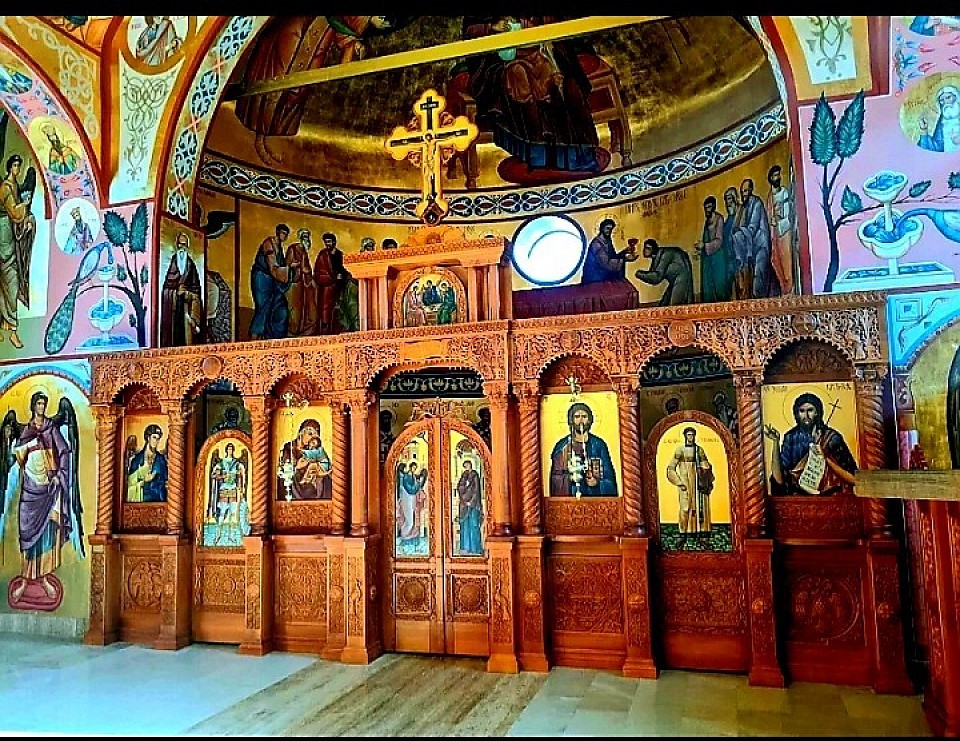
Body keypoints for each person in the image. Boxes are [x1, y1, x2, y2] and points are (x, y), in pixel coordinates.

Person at [234, 16, 414, 164]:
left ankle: (269, 134)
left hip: (322, 32)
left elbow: (341, 22)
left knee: (300, 88)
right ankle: (260, 137)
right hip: (298, 27)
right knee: (279, 74)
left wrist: (350, 42)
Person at [462, 16, 601, 173]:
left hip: (544, 49)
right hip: (500, 60)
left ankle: (579, 153)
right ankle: (537, 154)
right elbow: (470, 31)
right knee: (519, 80)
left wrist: (536, 27)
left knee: (566, 86)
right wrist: (491, 27)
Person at [1, 391, 82, 605]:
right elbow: (14, 458)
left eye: (43, 404)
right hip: (29, 488)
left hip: (48, 488)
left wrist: (59, 476)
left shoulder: (51, 428)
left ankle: (44, 577)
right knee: (27, 532)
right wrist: (10, 440)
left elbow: (64, 451)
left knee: (47, 533)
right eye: (38, 403)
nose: (41, 407)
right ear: (32, 406)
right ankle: (25, 580)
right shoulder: (26, 430)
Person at [763, 392, 858, 496]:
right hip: (797, 495)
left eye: (810, 410)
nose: (806, 415)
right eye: (802, 411)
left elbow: (853, 477)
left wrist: (825, 456)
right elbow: (780, 479)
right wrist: (775, 442)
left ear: (817, 412)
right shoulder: (791, 437)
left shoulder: (831, 437)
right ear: (796, 413)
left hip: (829, 494)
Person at [0, 154, 35, 349]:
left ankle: (10, 328)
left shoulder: (14, 186)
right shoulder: (5, 187)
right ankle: (11, 328)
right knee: (10, 280)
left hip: (10, 232)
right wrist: (25, 205)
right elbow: (14, 212)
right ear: (9, 167)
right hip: (4, 233)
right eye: (14, 165)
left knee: (9, 283)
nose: (17, 169)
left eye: (18, 166)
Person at [548, 401, 618, 497]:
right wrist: (571, 478)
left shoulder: (599, 445)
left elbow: (609, 477)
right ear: (571, 420)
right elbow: (556, 478)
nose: (581, 420)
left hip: (595, 498)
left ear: (589, 420)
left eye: (584, 416)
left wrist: (597, 482)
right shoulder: (562, 446)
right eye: (577, 417)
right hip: (571, 499)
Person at [249, 223, 299, 340]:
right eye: (283, 233)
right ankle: (254, 336)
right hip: (262, 279)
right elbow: (272, 266)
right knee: (263, 307)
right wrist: (288, 269)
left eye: (286, 234)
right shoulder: (269, 243)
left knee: (280, 308)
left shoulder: (279, 247)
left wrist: (290, 268)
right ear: (278, 232)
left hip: (274, 281)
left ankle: (274, 337)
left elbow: (279, 268)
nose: (284, 236)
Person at [732, 178, 776, 299]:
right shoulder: (744, 207)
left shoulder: (757, 204)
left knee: (759, 275)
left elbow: (752, 227)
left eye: (746, 191)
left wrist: (740, 230)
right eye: (742, 192)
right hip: (752, 246)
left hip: (761, 244)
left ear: (751, 190)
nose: (744, 194)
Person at [665, 427, 714, 535]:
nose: (691, 437)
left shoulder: (699, 450)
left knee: (699, 506)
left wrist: (705, 469)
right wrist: (678, 482)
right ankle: (683, 531)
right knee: (685, 507)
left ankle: (699, 531)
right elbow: (671, 468)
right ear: (685, 436)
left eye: (692, 435)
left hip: (697, 482)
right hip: (685, 481)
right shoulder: (680, 450)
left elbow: (705, 464)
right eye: (689, 435)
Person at [160, 231, 203, 347]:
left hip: (186, 307)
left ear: (187, 246)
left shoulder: (191, 265)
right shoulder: (173, 263)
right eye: (179, 244)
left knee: (186, 339)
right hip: (173, 309)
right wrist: (175, 293)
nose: (181, 247)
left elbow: (196, 289)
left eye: (184, 244)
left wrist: (188, 294)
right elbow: (166, 289)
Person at [277, 418, 331, 500]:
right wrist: (297, 467)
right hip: (294, 487)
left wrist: (318, 467)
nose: (312, 438)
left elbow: (326, 466)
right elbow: (282, 472)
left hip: (312, 486)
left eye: (315, 436)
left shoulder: (315, 449)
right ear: (301, 433)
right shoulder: (289, 448)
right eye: (310, 434)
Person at [694, 195, 733, 303]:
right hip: (707, 259)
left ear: (714, 206)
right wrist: (700, 250)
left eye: (709, 207)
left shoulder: (719, 219)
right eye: (705, 208)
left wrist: (705, 246)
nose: (707, 210)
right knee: (708, 285)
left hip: (718, 257)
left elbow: (719, 240)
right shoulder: (707, 221)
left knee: (719, 285)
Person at [634, 238, 694, 307]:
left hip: (682, 277)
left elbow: (656, 278)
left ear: (653, 250)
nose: (645, 251)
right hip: (675, 279)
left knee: (674, 305)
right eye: (645, 248)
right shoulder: (657, 256)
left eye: (648, 248)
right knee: (664, 305)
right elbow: (653, 275)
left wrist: (639, 274)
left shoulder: (664, 255)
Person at [208, 442, 248, 545]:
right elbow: (213, 475)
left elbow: (241, 474)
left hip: (233, 489)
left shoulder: (237, 463)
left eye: (231, 449)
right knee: (222, 512)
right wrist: (222, 476)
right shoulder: (221, 463)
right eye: (229, 449)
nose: (230, 451)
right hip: (224, 489)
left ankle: (231, 536)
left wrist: (239, 475)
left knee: (232, 513)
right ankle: (218, 535)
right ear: (226, 450)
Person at [765, 164, 795, 296]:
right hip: (775, 234)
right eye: (775, 175)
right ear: (771, 178)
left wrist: (779, 218)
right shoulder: (770, 197)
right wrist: (772, 221)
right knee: (776, 261)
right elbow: (770, 216)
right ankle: (784, 289)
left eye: (778, 175)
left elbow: (788, 213)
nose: (778, 178)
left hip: (785, 232)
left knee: (786, 261)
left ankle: (790, 290)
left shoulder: (785, 193)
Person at [581, 218, 638, 284]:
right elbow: (607, 264)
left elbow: (613, 257)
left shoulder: (607, 241)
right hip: (595, 278)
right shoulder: (597, 244)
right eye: (607, 228)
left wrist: (624, 252)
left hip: (602, 276)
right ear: (602, 228)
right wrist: (625, 259)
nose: (609, 231)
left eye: (611, 229)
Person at [286, 228, 319, 336]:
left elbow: (307, 267)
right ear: (300, 238)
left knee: (307, 307)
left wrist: (309, 277)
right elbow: (288, 264)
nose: (306, 239)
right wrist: (299, 267)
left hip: (304, 283)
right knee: (295, 309)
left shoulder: (304, 251)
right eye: (304, 236)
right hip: (294, 283)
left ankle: (304, 331)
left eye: (307, 237)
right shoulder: (293, 248)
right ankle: (292, 331)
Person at [313, 231, 345, 335]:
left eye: (329, 242)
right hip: (326, 287)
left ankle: (336, 328)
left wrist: (341, 276)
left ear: (334, 242)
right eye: (326, 242)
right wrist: (332, 278)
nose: (327, 244)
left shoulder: (339, 254)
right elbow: (318, 272)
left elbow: (344, 268)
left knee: (338, 307)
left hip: (339, 285)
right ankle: (325, 329)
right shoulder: (322, 255)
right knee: (325, 308)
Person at [126, 424, 168, 503]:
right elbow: (130, 482)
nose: (156, 441)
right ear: (148, 438)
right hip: (141, 500)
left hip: (158, 500)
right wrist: (144, 481)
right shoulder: (137, 459)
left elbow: (165, 480)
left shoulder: (161, 459)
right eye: (154, 437)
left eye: (158, 439)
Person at [918, 84, 960, 153]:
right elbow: (935, 148)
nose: (945, 102)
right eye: (942, 100)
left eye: (948, 97)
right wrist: (924, 130)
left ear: (956, 97)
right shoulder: (942, 123)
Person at [397, 460, 428, 549]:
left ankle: (410, 538)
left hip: (411, 500)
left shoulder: (413, 476)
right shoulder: (406, 477)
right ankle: (404, 536)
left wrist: (419, 481)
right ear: (410, 467)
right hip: (407, 500)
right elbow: (411, 489)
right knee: (409, 520)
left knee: (413, 520)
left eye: (415, 468)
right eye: (413, 468)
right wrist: (418, 483)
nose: (414, 469)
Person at [456, 460, 484, 554]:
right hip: (464, 505)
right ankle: (465, 547)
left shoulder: (474, 475)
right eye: (465, 466)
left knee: (474, 524)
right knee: (465, 525)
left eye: (468, 465)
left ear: (470, 465)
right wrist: (465, 500)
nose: (467, 467)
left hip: (473, 505)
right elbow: (460, 487)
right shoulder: (464, 475)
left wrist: (471, 502)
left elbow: (476, 490)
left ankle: (475, 548)